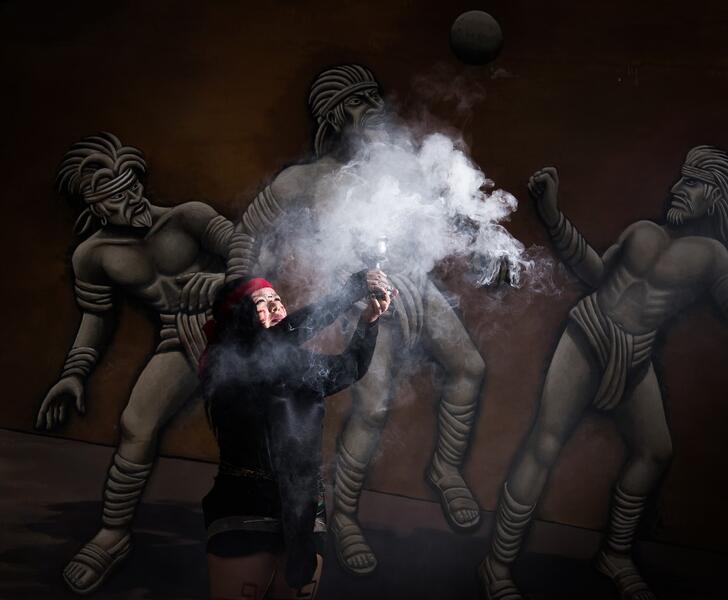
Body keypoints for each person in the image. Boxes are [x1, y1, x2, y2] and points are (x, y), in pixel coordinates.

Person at [478, 146, 728, 600]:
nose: (677, 189)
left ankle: (615, 554)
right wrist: (552, 215)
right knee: (544, 444)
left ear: (716, 194)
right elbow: (595, 273)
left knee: (655, 451)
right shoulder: (643, 231)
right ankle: (497, 566)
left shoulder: (713, 258)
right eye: (680, 179)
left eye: (691, 183)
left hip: (635, 355)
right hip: (589, 335)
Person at [235, 64, 489, 575]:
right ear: (333, 116)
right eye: (357, 101)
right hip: (359, 297)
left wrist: (487, 247)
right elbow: (248, 235)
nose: (371, 108)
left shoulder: (403, 166)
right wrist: (243, 292)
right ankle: (346, 515)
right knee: (372, 410)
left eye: (373, 97)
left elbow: (454, 215)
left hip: (414, 285)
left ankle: (444, 470)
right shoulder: (303, 181)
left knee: (470, 368)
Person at [36, 132, 249, 595]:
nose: (126, 203)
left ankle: (294, 525)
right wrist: (74, 372)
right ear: (92, 207)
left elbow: (246, 249)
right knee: (136, 423)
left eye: (128, 188)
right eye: (110, 200)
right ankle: (112, 535)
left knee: (275, 425)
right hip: (179, 337)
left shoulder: (188, 216)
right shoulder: (93, 255)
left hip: (241, 327)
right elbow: (96, 318)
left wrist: (220, 283)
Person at [200, 269, 392, 599]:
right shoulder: (226, 360)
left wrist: (368, 322)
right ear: (238, 316)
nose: (276, 307)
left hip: (305, 509)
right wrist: (348, 291)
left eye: (278, 300)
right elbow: (277, 339)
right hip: (246, 507)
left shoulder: (296, 364)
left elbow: (350, 368)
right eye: (261, 302)